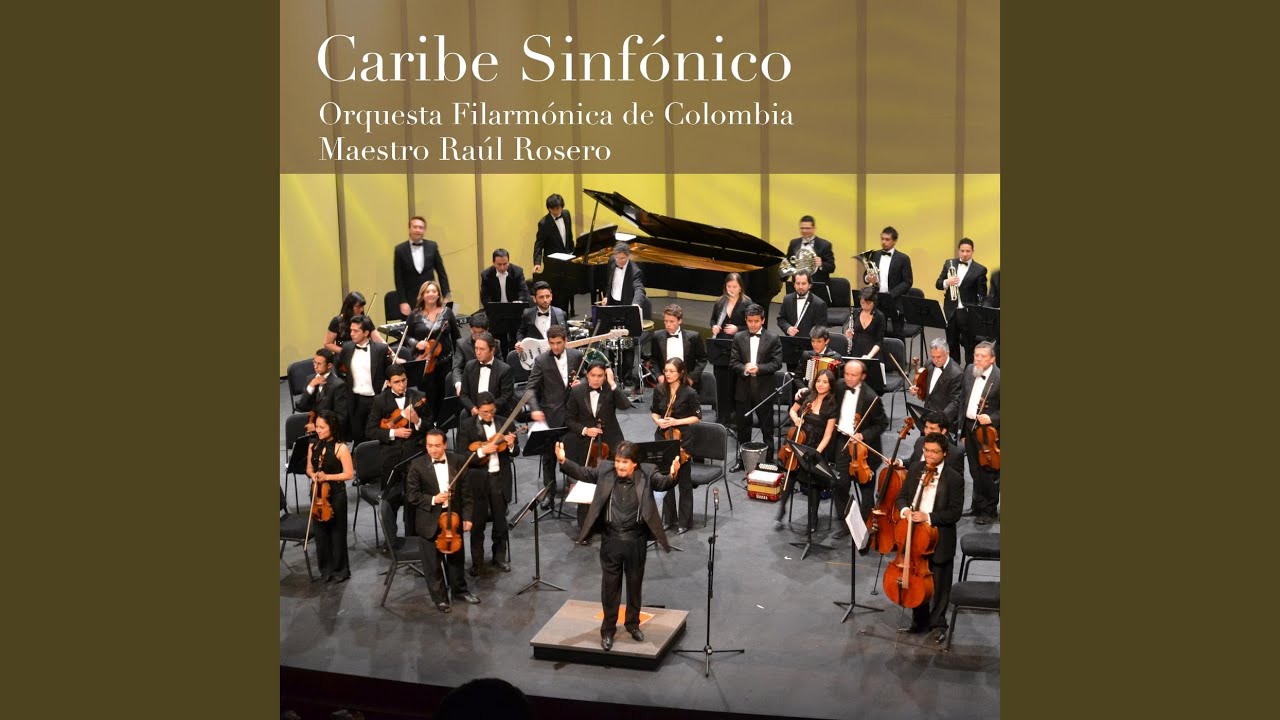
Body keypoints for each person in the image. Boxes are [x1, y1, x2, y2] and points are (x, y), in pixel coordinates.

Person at [554, 439, 681, 651]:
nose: (620, 466)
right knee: (610, 588)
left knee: (634, 585)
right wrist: (563, 461)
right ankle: (608, 630)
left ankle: (632, 624)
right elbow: (583, 473)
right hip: (611, 540)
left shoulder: (648, 472)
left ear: (635, 463)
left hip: (636, 540)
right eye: (618, 461)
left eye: (624, 462)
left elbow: (663, 483)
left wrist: (673, 474)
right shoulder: (606, 470)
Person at [894, 432, 964, 643]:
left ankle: (938, 624)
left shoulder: (954, 478)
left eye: (934, 452)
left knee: (940, 582)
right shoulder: (916, 469)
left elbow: (954, 513)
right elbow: (901, 497)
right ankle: (919, 621)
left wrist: (928, 517)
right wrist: (905, 511)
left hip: (939, 536)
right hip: (915, 535)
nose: (929, 455)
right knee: (916, 577)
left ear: (944, 453)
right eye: (926, 450)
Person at [405, 428, 480, 613]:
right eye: (429, 446)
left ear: (445, 445)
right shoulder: (417, 465)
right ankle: (440, 599)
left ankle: (460, 591)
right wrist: (433, 499)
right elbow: (412, 495)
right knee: (433, 564)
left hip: (453, 518)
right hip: (429, 520)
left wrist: (467, 517)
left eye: (437, 446)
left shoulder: (458, 461)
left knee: (456, 559)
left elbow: (467, 493)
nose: (433, 450)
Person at [563, 361, 631, 532]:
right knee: (586, 483)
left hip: (610, 441)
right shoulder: (577, 391)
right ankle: (585, 528)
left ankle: (607, 523)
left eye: (600, 376)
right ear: (587, 375)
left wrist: (613, 383)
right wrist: (585, 430)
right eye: (593, 375)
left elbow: (625, 405)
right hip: (585, 444)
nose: (596, 379)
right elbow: (569, 419)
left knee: (610, 483)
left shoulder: (610, 389)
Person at [456, 392, 518, 575]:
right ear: (477, 409)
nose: (489, 415)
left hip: (499, 478)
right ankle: (477, 563)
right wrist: (482, 452)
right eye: (485, 412)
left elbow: (515, 452)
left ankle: (499, 558)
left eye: (492, 411)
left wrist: (512, 445)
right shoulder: (467, 426)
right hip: (478, 481)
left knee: (500, 523)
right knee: (477, 525)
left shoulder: (505, 423)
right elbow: (461, 455)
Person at [367, 364, 427, 549]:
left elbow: (431, 426)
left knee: (413, 500)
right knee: (390, 502)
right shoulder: (380, 400)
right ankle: (390, 540)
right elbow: (371, 430)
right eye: (397, 382)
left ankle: (413, 539)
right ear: (388, 383)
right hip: (390, 458)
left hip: (414, 456)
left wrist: (418, 421)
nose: (401, 385)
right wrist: (394, 433)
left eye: (404, 380)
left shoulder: (418, 396)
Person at [526, 325, 583, 510]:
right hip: (551, 415)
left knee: (573, 454)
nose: (556, 347)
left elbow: (586, 377)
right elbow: (530, 389)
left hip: (574, 414)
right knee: (549, 457)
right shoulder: (541, 360)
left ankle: (574, 488)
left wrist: (581, 383)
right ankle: (549, 494)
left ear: (565, 341)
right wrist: (535, 409)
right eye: (552, 343)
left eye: (559, 343)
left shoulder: (576, 356)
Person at [831, 359, 888, 536]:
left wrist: (863, 435)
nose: (848, 378)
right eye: (846, 374)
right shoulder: (839, 386)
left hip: (864, 449)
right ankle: (846, 521)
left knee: (866, 490)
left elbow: (882, 424)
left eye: (853, 375)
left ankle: (863, 526)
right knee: (839, 484)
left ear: (862, 376)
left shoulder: (871, 398)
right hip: (843, 442)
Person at [777, 369, 838, 532]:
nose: (821, 384)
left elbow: (828, 434)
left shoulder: (832, 406)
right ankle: (781, 509)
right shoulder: (806, 396)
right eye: (818, 381)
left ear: (830, 385)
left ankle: (813, 518)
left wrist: (816, 452)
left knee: (814, 483)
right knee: (790, 475)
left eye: (825, 382)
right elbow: (792, 410)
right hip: (799, 443)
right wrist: (796, 418)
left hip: (815, 448)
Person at [728, 304, 784, 471]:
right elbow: (733, 362)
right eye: (750, 321)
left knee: (767, 428)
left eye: (756, 321)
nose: (753, 324)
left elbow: (777, 363)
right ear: (746, 320)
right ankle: (742, 460)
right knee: (743, 428)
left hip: (764, 390)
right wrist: (744, 368)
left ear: (763, 320)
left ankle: (768, 461)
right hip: (743, 390)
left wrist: (759, 368)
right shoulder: (739, 337)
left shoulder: (773, 338)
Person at [649, 358, 701, 533]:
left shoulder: (689, 392)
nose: (668, 374)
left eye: (672, 371)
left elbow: (696, 417)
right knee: (666, 479)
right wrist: (659, 421)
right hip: (663, 438)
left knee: (684, 482)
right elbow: (654, 411)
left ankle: (685, 521)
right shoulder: (660, 390)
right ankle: (669, 519)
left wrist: (676, 421)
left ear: (681, 372)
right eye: (666, 371)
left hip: (682, 440)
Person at [305, 411, 354, 583]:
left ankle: (341, 569)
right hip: (318, 494)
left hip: (336, 494)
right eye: (317, 427)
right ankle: (325, 569)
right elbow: (309, 469)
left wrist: (327, 477)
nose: (318, 430)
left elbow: (349, 474)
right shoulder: (313, 446)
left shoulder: (341, 448)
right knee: (320, 533)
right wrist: (313, 475)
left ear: (332, 427)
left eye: (322, 427)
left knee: (337, 532)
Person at [402, 280, 459, 424]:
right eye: (427, 292)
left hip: (445, 362)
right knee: (428, 397)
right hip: (425, 364)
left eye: (434, 291)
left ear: (438, 294)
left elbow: (457, 337)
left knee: (444, 396)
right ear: (422, 295)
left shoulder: (447, 312)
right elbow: (405, 337)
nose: (431, 294)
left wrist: (458, 362)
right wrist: (416, 343)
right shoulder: (415, 315)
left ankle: (442, 428)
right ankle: (428, 426)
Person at [961, 341, 1001, 525]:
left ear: (992, 359)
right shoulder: (970, 370)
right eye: (976, 355)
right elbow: (964, 400)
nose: (977, 359)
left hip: (988, 432)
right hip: (970, 427)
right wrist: (962, 430)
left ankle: (989, 510)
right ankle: (977, 505)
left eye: (982, 356)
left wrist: (991, 418)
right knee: (974, 469)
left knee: (989, 472)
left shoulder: (1000, 378)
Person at [338, 315, 392, 445]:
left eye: (356, 331)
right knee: (358, 434)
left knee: (375, 434)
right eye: (351, 330)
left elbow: (389, 372)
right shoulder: (346, 348)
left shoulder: (381, 349)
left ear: (366, 333)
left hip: (375, 398)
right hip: (355, 399)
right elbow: (339, 369)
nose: (352, 334)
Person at [935, 238, 989, 364]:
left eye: (968, 251)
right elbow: (938, 284)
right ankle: (954, 370)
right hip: (951, 311)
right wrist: (946, 282)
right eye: (962, 251)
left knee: (969, 345)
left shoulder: (980, 270)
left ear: (973, 251)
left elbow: (982, 295)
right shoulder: (949, 263)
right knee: (951, 343)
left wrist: (978, 315)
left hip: (968, 313)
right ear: (958, 251)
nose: (965, 254)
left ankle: (969, 370)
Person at [709, 273, 753, 427]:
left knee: (735, 384)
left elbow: (752, 325)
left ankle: (735, 418)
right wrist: (714, 326)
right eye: (729, 286)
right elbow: (713, 319)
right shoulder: (720, 301)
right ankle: (722, 417)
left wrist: (737, 329)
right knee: (721, 382)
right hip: (721, 347)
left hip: (738, 347)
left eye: (734, 287)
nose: (731, 289)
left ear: (740, 287)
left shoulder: (747, 303)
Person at [393, 216, 450, 318]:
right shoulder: (400, 250)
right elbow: (398, 279)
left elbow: (441, 272)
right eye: (415, 227)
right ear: (409, 229)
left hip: (431, 298)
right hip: (410, 300)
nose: (418, 230)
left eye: (421, 227)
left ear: (424, 230)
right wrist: (402, 301)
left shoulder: (432, 246)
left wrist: (446, 295)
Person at [480, 248, 531, 355]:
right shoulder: (486, 274)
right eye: (499, 264)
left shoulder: (517, 271)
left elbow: (523, 291)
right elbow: (485, 296)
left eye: (505, 264)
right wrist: (492, 307)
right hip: (497, 312)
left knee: (515, 339)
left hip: (514, 310)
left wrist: (519, 301)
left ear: (508, 261)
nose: (502, 267)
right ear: (493, 262)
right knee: (499, 341)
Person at [647, 303, 708, 391]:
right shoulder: (657, 336)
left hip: (687, 383)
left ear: (679, 321)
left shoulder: (693, 337)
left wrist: (691, 378)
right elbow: (654, 360)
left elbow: (702, 359)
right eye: (665, 321)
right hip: (665, 382)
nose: (668, 324)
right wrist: (659, 376)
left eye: (671, 321)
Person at [865, 226, 913, 336]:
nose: (883, 242)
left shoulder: (903, 258)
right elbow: (866, 274)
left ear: (894, 241)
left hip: (895, 300)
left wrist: (891, 295)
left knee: (897, 334)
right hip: (877, 299)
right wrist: (868, 278)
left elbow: (907, 282)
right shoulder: (874, 255)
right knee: (877, 333)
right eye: (882, 239)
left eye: (887, 239)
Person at [532, 193, 574, 313]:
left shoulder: (566, 214)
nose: (556, 211)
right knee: (557, 292)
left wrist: (573, 253)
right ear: (549, 208)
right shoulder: (544, 223)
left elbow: (569, 236)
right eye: (553, 209)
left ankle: (565, 314)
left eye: (558, 208)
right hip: (553, 263)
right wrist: (537, 263)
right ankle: (556, 315)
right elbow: (539, 245)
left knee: (567, 289)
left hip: (567, 259)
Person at [297, 348, 351, 439]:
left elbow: (340, 417)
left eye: (319, 364)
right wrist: (310, 386)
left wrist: (317, 428)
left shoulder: (338, 385)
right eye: (314, 362)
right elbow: (301, 407)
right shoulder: (310, 379)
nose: (315, 366)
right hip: (310, 428)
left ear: (329, 365)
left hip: (329, 433)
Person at [894, 410, 965, 479]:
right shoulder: (920, 441)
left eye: (932, 429)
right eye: (926, 427)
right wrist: (899, 462)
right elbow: (913, 462)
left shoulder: (955, 454)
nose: (927, 431)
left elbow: (956, 482)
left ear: (943, 431)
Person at [458, 333, 515, 418]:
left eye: (482, 349)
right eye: (476, 348)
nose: (478, 352)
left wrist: (487, 410)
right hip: (474, 413)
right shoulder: (469, 366)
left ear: (492, 350)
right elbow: (464, 394)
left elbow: (506, 396)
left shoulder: (504, 369)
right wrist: (472, 408)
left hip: (497, 414)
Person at [920, 337, 964, 435]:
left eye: (938, 357)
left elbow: (956, 401)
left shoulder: (957, 373)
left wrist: (941, 419)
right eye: (933, 356)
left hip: (943, 422)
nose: (935, 360)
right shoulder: (929, 363)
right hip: (927, 416)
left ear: (947, 353)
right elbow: (929, 387)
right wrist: (918, 389)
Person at [514, 281, 567, 359]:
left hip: (555, 356)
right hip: (534, 356)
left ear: (551, 297)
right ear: (534, 299)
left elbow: (567, 335)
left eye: (547, 296)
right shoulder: (527, 314)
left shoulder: (561, 314)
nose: (545, 300)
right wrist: (520, 342)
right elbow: (521, 332)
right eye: (541, 297)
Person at [776, 270, 829, 345]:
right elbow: (781, 319)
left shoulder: (819, 304)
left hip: (810, 344)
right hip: (791, 342)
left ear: (810, 285)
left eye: (804, 283)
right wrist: (788, 328)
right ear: (794, 285)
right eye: (798, 283)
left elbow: (821, 329)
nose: (800, 287)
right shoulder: (787, 299)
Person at [785, 214, 836, 289]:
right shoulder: (794, 243)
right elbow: (788, 262)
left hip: (817, 286)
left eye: (808, 228)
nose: (804, 231)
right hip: (798, 285)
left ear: (814, 228)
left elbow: (832, 267)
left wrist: (821, 264)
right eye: (802, 228)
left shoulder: (824, 245)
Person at [451, 312, 490, 397]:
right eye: (474, 332)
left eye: (481, 333)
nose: (477, 336)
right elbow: (457, 368)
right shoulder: (462, 344)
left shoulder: (495, 344)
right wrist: (459, 384)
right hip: (470, 386)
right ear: (470, 329)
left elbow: (499, 366)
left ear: (487, 330)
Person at [844, 286, 886, 359]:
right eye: (862, 303)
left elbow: (879, 342)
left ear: (874, 302)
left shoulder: (879, 316)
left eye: (868, 303)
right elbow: (847, 331)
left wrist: (869, 356)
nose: (865, 305)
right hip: (855, 352)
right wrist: (847, 334)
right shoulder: (855, 313)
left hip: (872, 354)